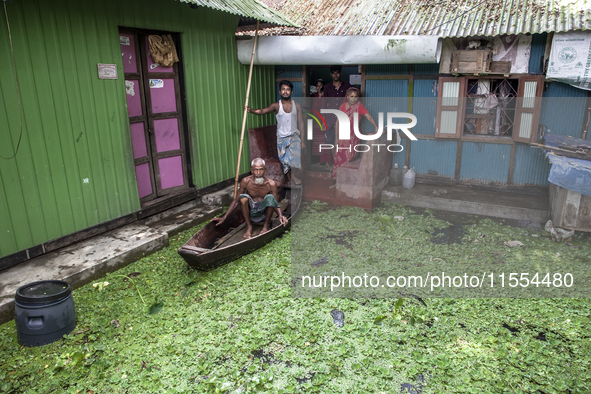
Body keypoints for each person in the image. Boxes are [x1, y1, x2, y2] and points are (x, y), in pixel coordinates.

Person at [210, 158, 288, 239]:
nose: (258, 173)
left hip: (263, 213)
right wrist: (224, 217)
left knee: (270, 197)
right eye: (255, 170)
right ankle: (249, 226)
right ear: (252, 170)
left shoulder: (271, 184)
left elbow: (274, 202)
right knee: (243, 198)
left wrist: (280, 215)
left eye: (261, 170)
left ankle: (266, 225)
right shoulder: (246, 181)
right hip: (250, 213)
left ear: (265, 169)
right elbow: (236, 201)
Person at [247, 80, 305, 185]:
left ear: (291, 92)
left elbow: (301, 123)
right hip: (282, 137)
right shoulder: (276, 106)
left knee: (295, 158)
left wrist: (303, 141)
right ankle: (290, 177)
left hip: (294, 136)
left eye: (288, 89)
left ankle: (294, 176)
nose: (285, 92)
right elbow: (262, 111)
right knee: (285, 161)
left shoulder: (297, 106)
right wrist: (251, 110)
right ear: (280, 91)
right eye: (283, 89)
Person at [332, 87, 380, 179]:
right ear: (347, 96)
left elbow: (368, 117)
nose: (353, 99)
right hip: (342, 136)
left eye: (356, 97)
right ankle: (337, 177)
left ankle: (347, 178)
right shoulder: (342, 106)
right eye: (351, 96)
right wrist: (336, 138)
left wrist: (376, 127)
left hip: (353, 136)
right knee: (339, 156)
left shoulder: (359, 106)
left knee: (349, 157)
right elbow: (337, 122)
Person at [324, 65, 352, 151]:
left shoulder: (347, 85)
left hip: (343, 117)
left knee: (344, 140)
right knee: (330, 142)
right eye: (333, 73)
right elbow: (324, 103)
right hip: (330, 118)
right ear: (331, 74)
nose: (335, 75)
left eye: (337, 73)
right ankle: (334, 162)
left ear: (340, 74)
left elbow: (352, 99)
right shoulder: (327, 87)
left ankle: (342, 161)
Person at [311, 79, 331, 166]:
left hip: (324, 120)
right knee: (318, 142)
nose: (319, 87)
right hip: (316, 122)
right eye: (317, 85)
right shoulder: (313, 96)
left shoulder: (326, 96)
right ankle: (321, 161)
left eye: (321, 85)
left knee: (326, 140)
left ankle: (328, 161)